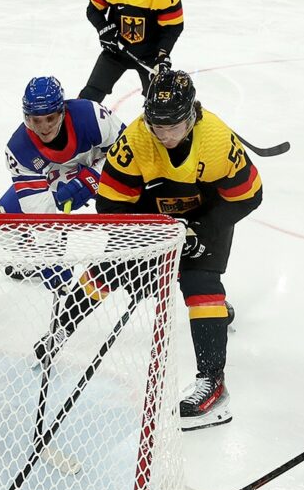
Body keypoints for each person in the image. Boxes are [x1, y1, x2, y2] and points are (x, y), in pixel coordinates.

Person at [43, 70, 262, 431]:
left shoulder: (218, 140)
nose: (165, 136)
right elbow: (111, 206)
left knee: (200, 283)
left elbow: (250, 195)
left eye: (173, 127)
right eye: (157, 127)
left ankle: (213, 383)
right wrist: (147, 240)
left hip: (206, 212)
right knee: (109, 268)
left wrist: (200, 229)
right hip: (151, 211)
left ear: (192, 115)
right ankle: (60, 329)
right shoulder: (135, 141)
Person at [0, 76, 124, 285]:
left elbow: (128, 153)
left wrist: (93, 178)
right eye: (36, 120)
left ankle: (132, 253)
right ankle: (35, 261)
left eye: (50, 119)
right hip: (58, 176)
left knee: (130, 203)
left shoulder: (91, 115)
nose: (43, 128)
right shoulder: (18, 149)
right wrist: (51, 256)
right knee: (1, 224)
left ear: (62, 112)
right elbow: (39, 209)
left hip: (104, 169)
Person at [79, 0, 184, 104]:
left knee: (159, 104)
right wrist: (104, 29)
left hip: (149, 55)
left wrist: (163, 54)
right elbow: (93, 9)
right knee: (90, 95)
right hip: (116, 49)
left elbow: (173, 27)